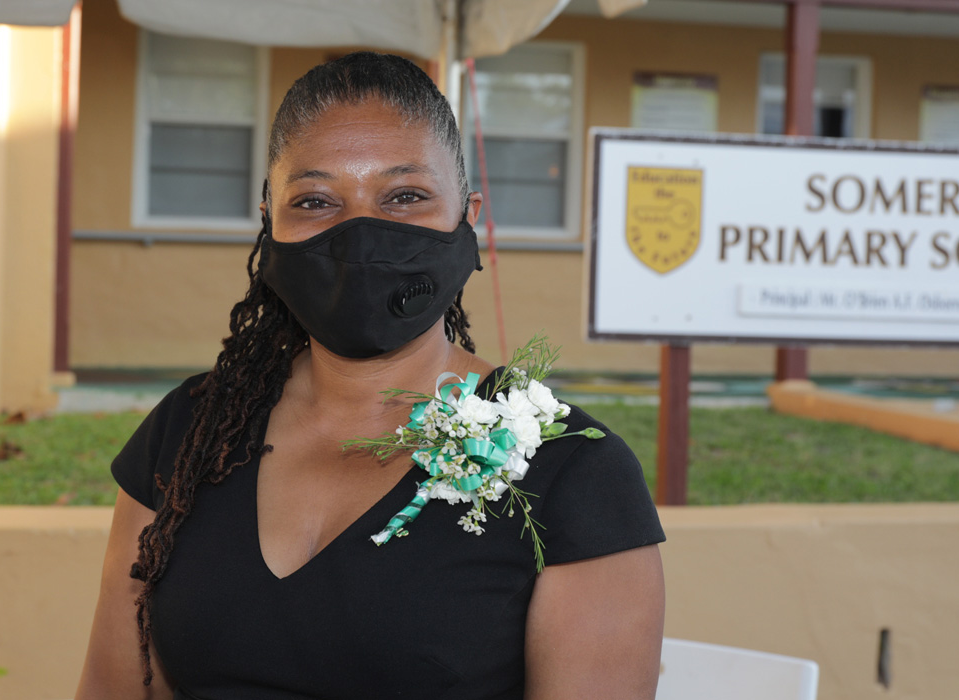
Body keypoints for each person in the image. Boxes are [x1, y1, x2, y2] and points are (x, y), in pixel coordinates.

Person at [75, 51, 666, 700]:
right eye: (315, 201)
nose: (359, 234)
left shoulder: (574, 474)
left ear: (467, 218)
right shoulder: (190, 432)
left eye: (405, 196)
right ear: (269, 221)